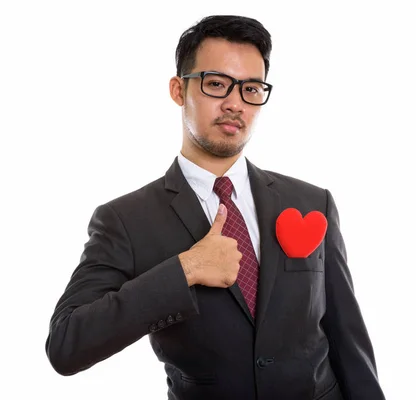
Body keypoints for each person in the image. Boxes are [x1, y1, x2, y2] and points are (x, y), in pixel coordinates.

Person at [45, 15, 386, 400]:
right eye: (217, 84)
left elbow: (347, 337)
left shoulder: (311, 202)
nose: (235, 103)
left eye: (251, 88)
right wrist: (185, 269)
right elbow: (66, 345)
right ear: (179, 89)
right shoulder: (124, 220)